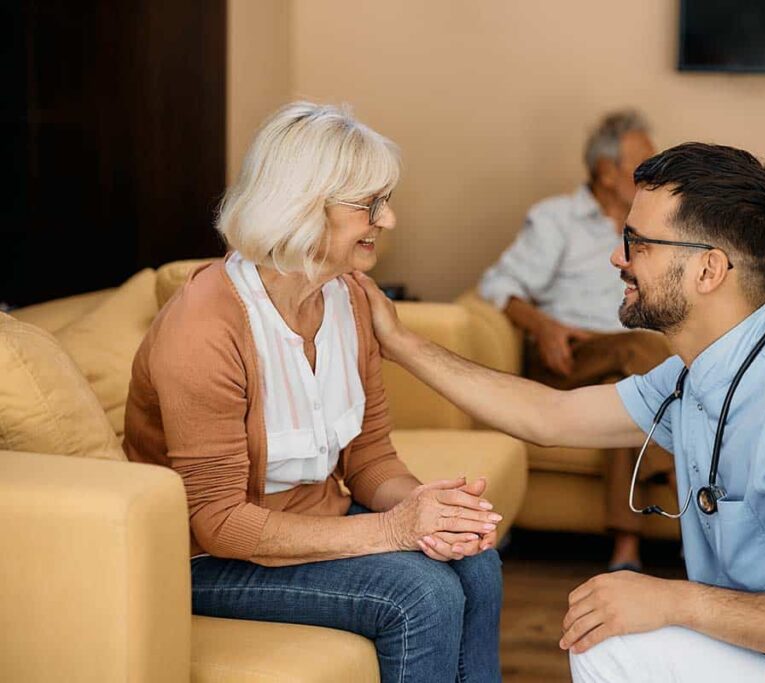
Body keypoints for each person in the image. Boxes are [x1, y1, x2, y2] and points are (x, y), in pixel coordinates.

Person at [354, 142, 765, 681]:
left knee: (609, 645)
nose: (619, 260)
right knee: (608, 629)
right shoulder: (700, 376)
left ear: (708, 269)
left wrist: (673, 601)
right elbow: (550, 417)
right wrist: (402, 343)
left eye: (637, 243)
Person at [123, 102, 504, 683]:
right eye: (371, 205)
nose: (389, 219)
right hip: (209, 559)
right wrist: (397, 529)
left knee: (478, 561)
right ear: (303, 206)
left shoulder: (349, 297)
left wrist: (434, 510)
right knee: (420, 595)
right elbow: (220, 524)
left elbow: (370, 458)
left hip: (310, 525)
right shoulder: (203, 330)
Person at [478, 110, 671, 571]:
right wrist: (542, 326)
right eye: (643, 163)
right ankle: (683, 470)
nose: (655, 173)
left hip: (622, 365)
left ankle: (626, 547)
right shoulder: (557, 218)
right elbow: (497, 285)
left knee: (625, 398)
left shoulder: (654, 223)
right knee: (641, 355)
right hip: (566, 356)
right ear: (606, 172)